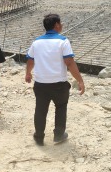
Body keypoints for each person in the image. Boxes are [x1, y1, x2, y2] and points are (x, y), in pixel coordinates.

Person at [25, 14, 85, 146]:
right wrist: (80, 80)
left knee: (40, 110)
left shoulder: (36, 42)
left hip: (41, 83)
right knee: (61, 107)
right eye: (61, 23)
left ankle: (39, 136)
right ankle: (58, 135)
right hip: (59, 83)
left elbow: (30, 60)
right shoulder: (63, 41)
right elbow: (69, 62)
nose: (62, 25)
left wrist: (28, 73)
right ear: (56, 25)